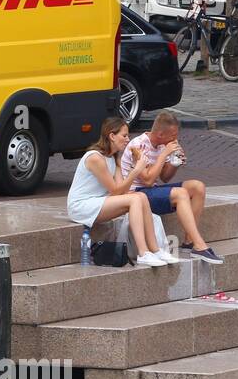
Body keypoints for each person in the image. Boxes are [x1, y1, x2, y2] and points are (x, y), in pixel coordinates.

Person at [66, 116, 176, 268]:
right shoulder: (95, 158)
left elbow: (121, 190)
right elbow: (115, 191)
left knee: (141, 196)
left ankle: (155, 250)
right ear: (112, 136)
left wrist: (137, 169)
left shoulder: (113, 158)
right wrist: (137, 170)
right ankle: (143, 253)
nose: (127, 139)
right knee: (135, 199)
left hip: (99, 201)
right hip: (81, 206)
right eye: (124, 135)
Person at [121, 110, 222, 264]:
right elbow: (147, 180)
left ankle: (189, 242)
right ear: (161, 134)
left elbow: (165, 177)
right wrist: (164, 154)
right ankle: (200, 246)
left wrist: (175, 163)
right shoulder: (138, 146)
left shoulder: (162, 145)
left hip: (151, 191)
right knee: (181, 194)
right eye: (173, 135)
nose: (175, 139)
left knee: (197, 186)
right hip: (136, 194)